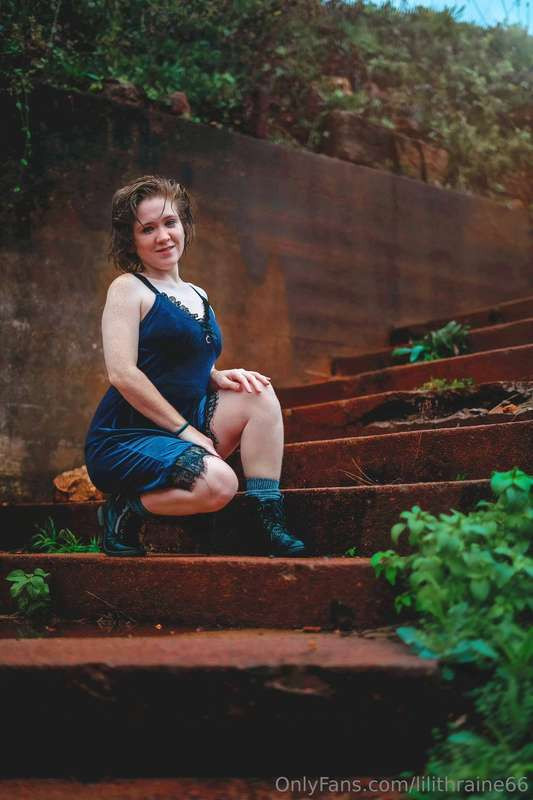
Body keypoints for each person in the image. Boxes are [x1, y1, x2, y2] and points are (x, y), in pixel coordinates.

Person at [85, 175, 307, 558]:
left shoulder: (198, 294)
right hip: (124, 439)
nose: (163, 236)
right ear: (132, 240)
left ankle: (267, 521)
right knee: (220, 484)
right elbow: (123, 373)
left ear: (183, 225)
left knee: (257, 392)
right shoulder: (128, 288)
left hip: (181, 424)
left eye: (169, 222)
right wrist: (187, 432)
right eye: (148, 229)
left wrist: (216, 375)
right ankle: (123, 510)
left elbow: (179, 358)